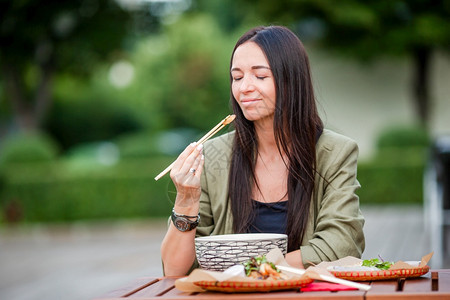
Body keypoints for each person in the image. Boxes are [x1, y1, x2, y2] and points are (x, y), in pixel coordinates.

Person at [160, 25, 365, 276]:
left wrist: (255, 272)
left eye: (260, 76)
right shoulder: (212, 155)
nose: (244, 88)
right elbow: (173, 270)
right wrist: (186, 199)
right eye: (237, 77)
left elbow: (342, 244)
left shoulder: (335, 152)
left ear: (291, 80)